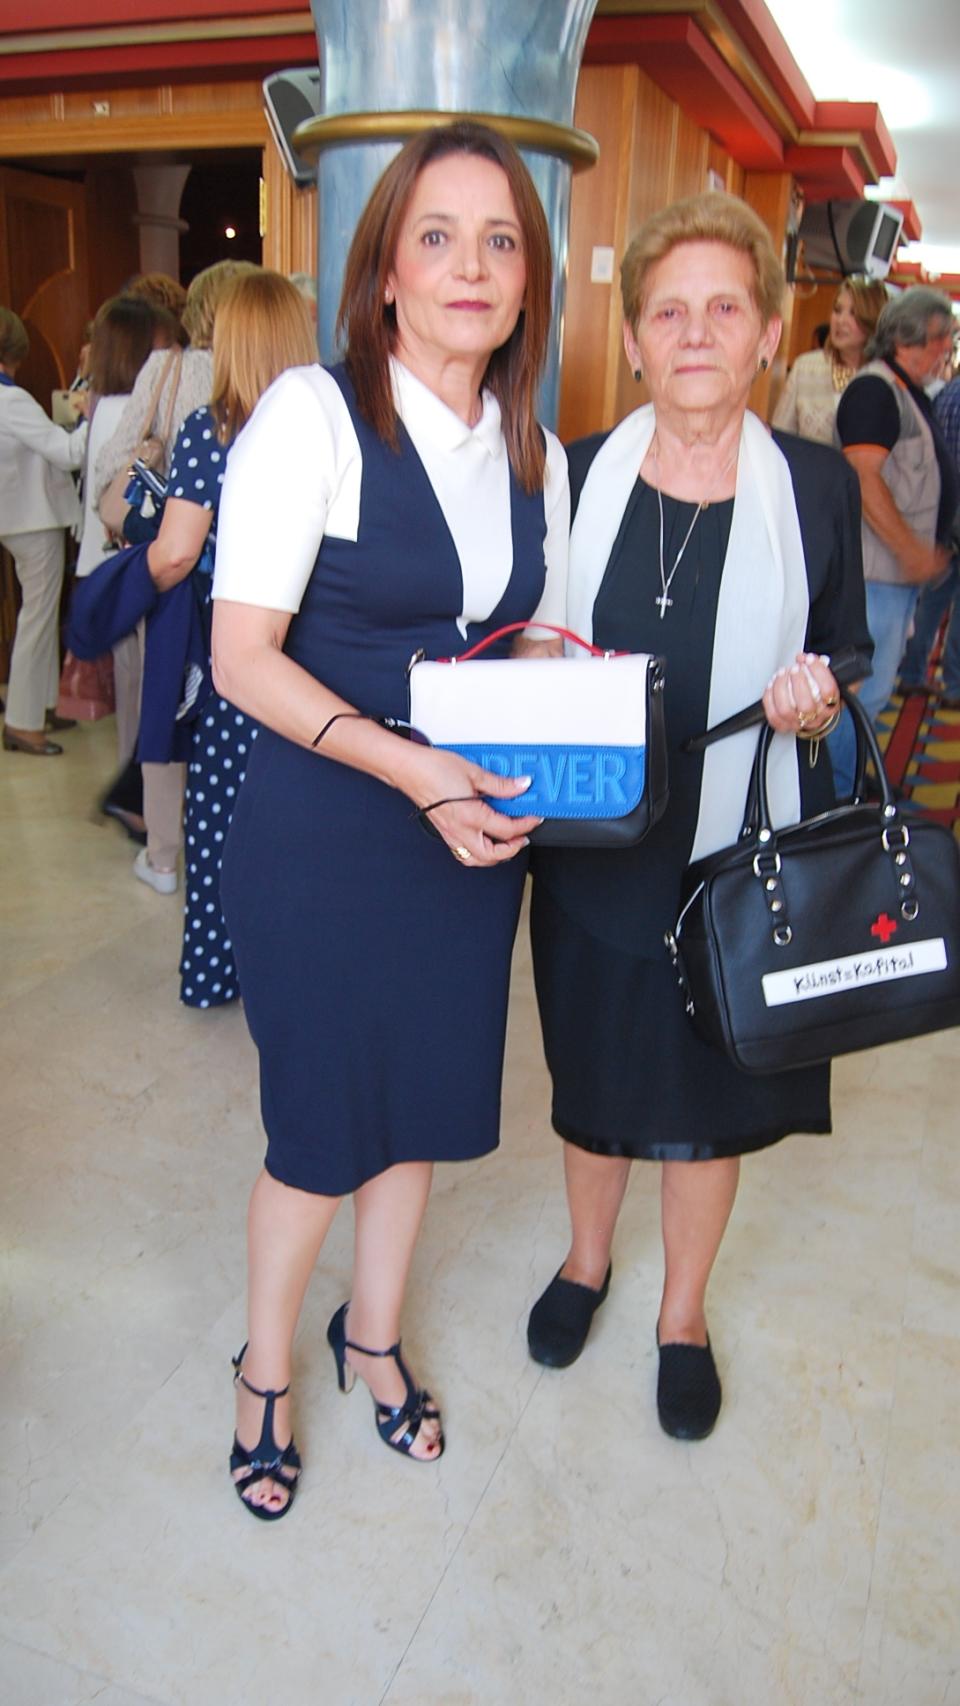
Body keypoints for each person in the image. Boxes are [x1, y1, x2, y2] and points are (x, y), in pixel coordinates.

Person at [211, 121, 567, 1519]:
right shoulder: (314, 415)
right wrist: (415, 768)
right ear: (387, 270)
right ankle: (264, 1371)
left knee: (414, 1111)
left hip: (464, 846)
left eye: (499, 240)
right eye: (438, 235)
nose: (469, 265)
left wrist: (550, 718)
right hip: (329, 832)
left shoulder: (531, 441)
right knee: (319, 1127)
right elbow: (244, 657)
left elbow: (524, 639)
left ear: (530, 278)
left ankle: (373, 1339)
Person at [525, 192, 870, 1442]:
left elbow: (842, 662)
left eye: (726, 308)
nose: (695, 332)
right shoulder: (571, 475)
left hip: (740, 858)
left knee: (711, 1095)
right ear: (631, 340)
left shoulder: (819, 490)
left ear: (769, 334)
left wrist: (813, 704)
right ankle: (583, 1258)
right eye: (669, 310)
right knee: (597, 1075)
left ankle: (682, 1312)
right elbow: (520, 645)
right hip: (593, 851)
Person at [141, 270, 317, 997]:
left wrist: (132, 579)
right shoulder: (336, 430)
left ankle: (219, 970)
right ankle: (301, 968)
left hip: (241, 652)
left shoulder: (211, 431)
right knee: (309, 819)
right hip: (319, 655)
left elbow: (179, 550)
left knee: (221, 819)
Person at [97, 259, 258, 894]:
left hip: (172, 571)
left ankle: (164, 855)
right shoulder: (271, 383)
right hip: (239, 585)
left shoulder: (170, 371)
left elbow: (113, 459)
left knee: (162, 708)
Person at [829, 286, 958, 797]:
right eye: (941, 341)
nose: (945, 353)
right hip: (874, 577)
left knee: (873, 693)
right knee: (861, 694)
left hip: (890, 579)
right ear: (911, 340)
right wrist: (910, 551)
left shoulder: (905, 392)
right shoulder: (876, 391)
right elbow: (863, 476)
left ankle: (850, 787)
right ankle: (836, 801)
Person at [0, 306, 88, 755]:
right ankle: (22, 722)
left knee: (38, 615)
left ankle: (42, 705)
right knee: (37, 619)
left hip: (15, 518)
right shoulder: (10, 400)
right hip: (34, 520)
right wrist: (95, 415)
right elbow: (69, 452)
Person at [897, 365, 960, 709]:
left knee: (934, 597)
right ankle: (954, 685)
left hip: (940, 510)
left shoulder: (945, 393)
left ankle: (912, 674)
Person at [772, 278, 887, 445]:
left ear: (871, 320)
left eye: (853, 313)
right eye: (837, 310)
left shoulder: (883, 377)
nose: (841, 321)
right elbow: (779, 437)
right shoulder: (805, 368)